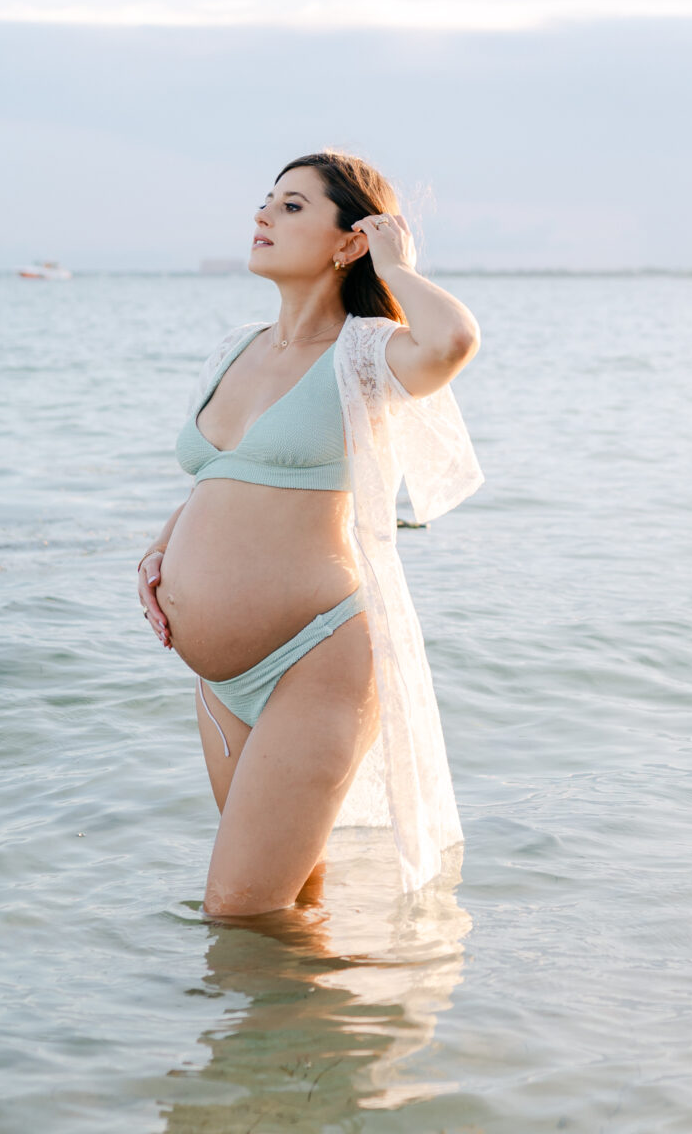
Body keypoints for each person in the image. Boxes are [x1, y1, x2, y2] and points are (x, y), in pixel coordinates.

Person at [137, 151, 482, 918]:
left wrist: (398, 265)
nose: (262, 215)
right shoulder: (236, 344)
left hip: (317, 657)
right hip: (221, 680)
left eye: (291, 206)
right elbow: (221, 475)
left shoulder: (365, 352)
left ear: (347, 240)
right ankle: (312, 1036)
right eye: (265, 200)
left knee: (238, 913)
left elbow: (452, 342)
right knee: (291, 902)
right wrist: (162, 549)